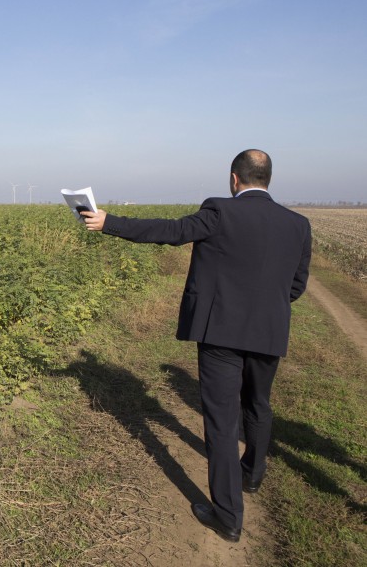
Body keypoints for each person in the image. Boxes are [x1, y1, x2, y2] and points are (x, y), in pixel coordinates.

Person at [80, 149, 311, 543]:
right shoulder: (298, 224)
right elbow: (297, 285)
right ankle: (252, 474)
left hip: (220, 332)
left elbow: (171, 232)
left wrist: (109, 223)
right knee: (258, 404)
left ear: (234, 179)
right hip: (269, 333)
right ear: (267, 179)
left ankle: (228, 516)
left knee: (222, 422)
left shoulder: (220, 211)